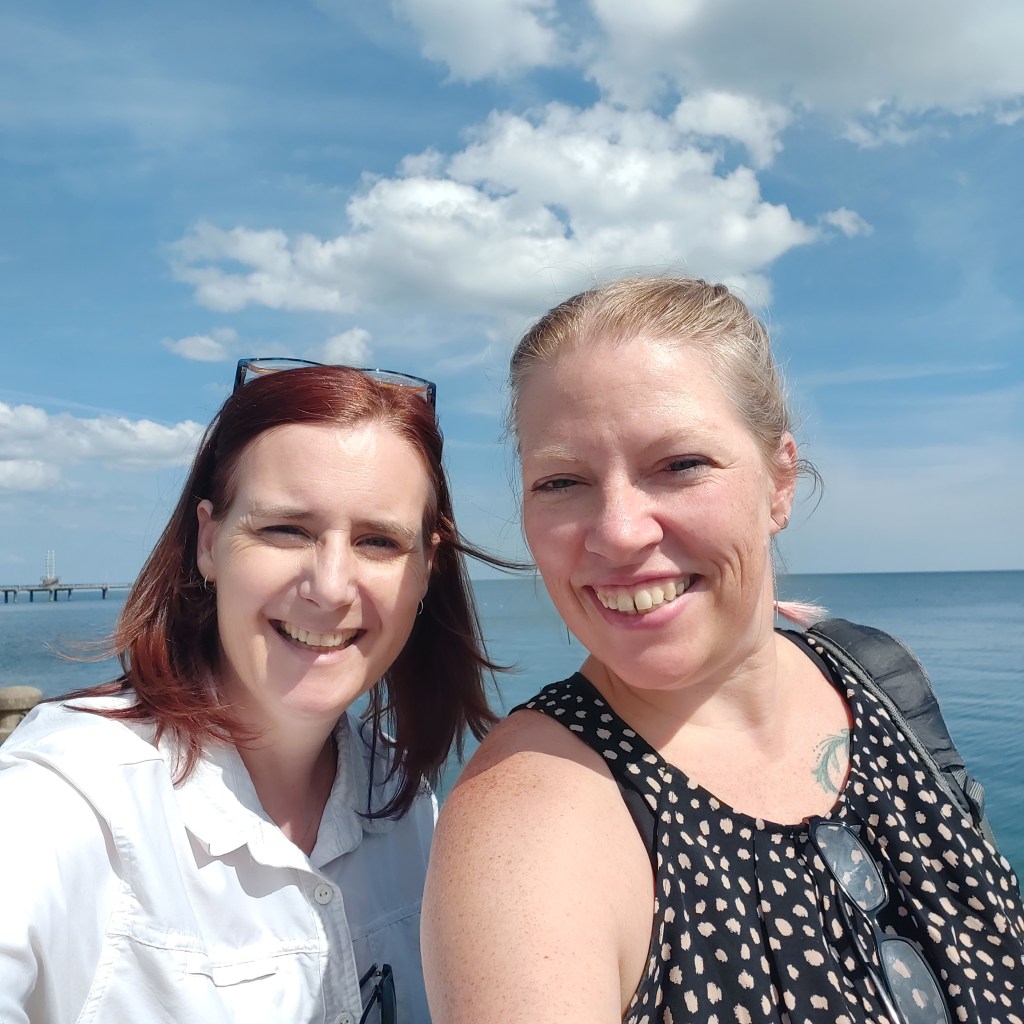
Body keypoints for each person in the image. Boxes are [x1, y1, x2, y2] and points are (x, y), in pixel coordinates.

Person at [422, 277, 1024, 1023]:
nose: (619, 532)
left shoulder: (879, 675)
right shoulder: (531, 821)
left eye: (680, 465)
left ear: (780, 482)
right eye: (562, 481)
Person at [0, 358, 500, 1023]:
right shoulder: (69, 803)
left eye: (379, 541)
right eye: (285, 530)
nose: (330, 587)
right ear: (209, 541)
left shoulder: (405, 805)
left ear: (426, 570)